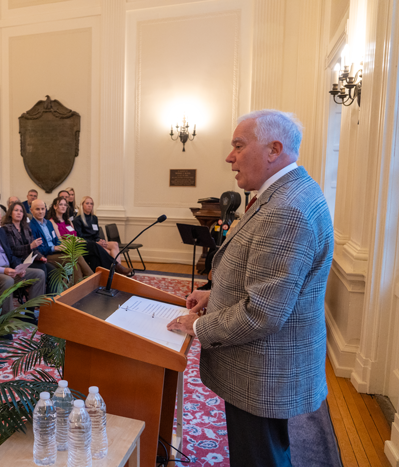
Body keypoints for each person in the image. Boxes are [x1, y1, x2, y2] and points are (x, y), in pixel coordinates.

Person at [166, 110, 334, 466]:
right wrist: (216, 295)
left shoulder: (286, 209)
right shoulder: (287, 192)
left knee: (259, 458)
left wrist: (196, 326)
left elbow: (262, 313)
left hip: (262, 372)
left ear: (274, 149)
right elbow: (270, 279)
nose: (230, 157)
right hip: (266, 367)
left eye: (239, 146)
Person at [48, 196, 131, 275]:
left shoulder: (69, 221)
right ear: (55, 207)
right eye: (60, 204)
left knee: (95, 257)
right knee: (94, 246)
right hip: (70, 247)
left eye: (65, 205)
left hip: (78, 244)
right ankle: (116, 267)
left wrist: (79, 240)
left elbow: (76, 235)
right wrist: (75, 241)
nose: (63, 207)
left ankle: (103, 278)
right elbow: (60, 241)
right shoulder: (52, 222)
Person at [29, 199, 93, 283]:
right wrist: (53, 248)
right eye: (37, 209)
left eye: (42, 209)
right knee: (76, 257)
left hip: (56, 252)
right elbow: (37, 249)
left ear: (45, 209)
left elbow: (56, 240)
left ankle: (79, 289)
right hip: (45, 255)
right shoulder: (31, 226)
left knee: (75, 263)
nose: (41, 212)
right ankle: (92, 279)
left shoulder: (48, 223)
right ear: (31, 210)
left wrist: (62, 246)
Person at [1, 202, 55, 293]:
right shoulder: (6, 229)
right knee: (42, 268)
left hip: (29, 259)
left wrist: (40, 256)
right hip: (18, 261)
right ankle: (37, 301)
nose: (19, 213)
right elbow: (13, 250)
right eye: (16, 210)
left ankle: (51, 298)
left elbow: (34, 247)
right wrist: (30, 246)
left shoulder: (25, 227)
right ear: (10, 213)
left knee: (53, 270)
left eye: (21, 211)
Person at [73, 196, 120, 261]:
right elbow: (80, 237)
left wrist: (101, 241)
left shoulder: (94, 218)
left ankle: (116, 269)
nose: (89, 205)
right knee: (109, 252)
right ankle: (115, 269)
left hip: (96, 242)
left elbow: (97, 233)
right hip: (88, 245)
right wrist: (95, 243)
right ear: (82, 205)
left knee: (115, 244)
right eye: (87, 203)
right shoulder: (78, 219)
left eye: (91, 203)